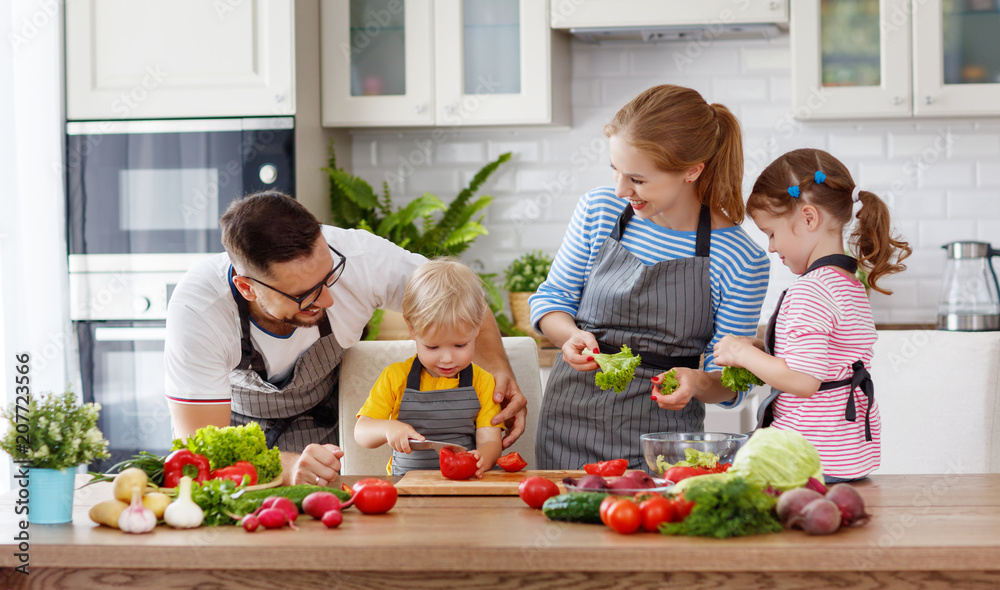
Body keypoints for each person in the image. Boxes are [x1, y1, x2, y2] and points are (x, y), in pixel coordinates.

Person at [164, 191, 527, 486]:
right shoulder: (200, 311)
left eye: (329, 276)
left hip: (327, 424)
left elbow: (464, 298)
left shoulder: (362, 258)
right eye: (305, 295)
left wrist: (498, 369)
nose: (328, 299)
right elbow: (200, 445)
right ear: (247, 288)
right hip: (242, 440)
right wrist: (287, 467)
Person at [529, 85, 770, 470]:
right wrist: (569, 335)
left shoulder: (740, 257)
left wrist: (696, 383)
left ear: (692, 171)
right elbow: (551, 300)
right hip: (569, 421)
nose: (621, 189)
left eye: (638, 180)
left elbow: (729, 380)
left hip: (662, 442)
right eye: (616, 171)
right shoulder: (600, 210)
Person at [713, 148, 911, 483]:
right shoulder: (848, 283)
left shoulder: (812, 290)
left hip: (809, 457)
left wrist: (740, 353)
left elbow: (804, 380)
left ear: (808, 218)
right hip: (843, 453)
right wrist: (762, 347)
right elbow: (827, 358)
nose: (771, 248)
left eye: (771, 233)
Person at [354, 259, 502, 477]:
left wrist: (482, 458)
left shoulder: (483, 381)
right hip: (407, 487)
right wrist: (387, 429)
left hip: (465, 484)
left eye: (460, 345)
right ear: (412, 330)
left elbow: (490, 440)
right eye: (432, 347)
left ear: (477, 328)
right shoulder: (395, 377)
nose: (447, 359)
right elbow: (361, 433)